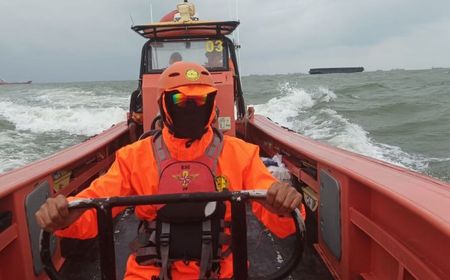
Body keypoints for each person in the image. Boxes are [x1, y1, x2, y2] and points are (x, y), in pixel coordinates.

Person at [35, 62, 303, 279]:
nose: (191, 107)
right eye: (179, 99)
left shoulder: (242, 153)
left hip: (225, 271)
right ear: (164, 103)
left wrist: (284, 203)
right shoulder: (132, 157)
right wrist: (63, 215)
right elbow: (95, 203)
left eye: (201, 100)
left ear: (212, 104)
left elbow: (278, 212)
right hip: (147, 272)